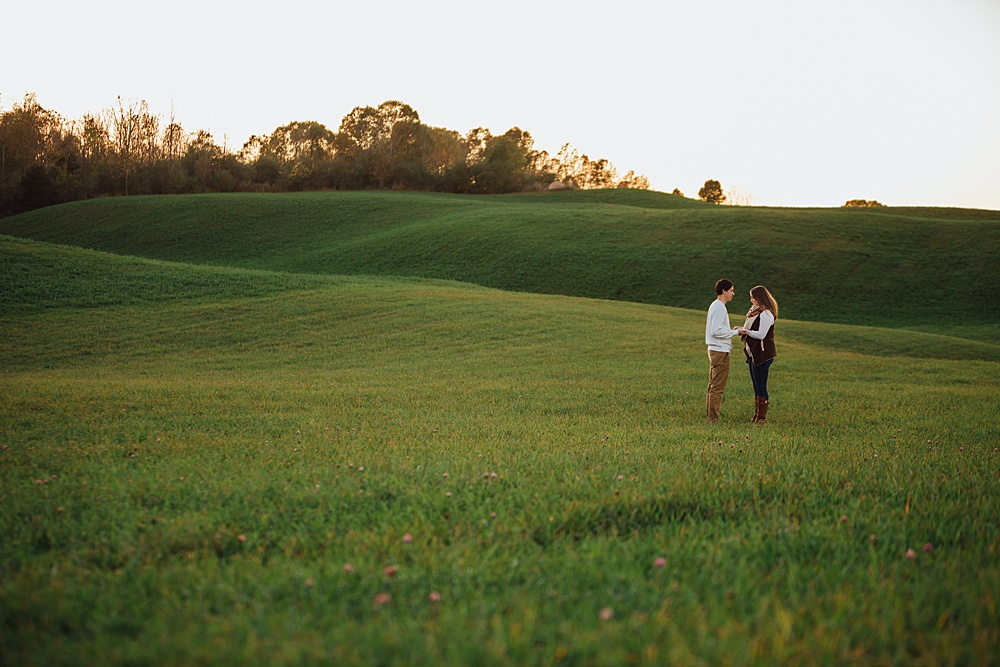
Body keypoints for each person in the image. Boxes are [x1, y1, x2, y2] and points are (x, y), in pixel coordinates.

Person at [736, 285, 779, 423]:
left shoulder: (766, 314)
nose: (751, 300)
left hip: (763, 354)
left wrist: (745, 331)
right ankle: (757, 415)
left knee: (760, 385)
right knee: (756, 384)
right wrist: (742, 329)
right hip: (754, 354)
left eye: (753, 297)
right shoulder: (755, 312)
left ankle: (761, 417)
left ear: (759, 298)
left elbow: (761, 335)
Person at [705, 279, 741, 422]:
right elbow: (716, 331)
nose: (733, 293)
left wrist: (730, 331)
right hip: (719, 351)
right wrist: (736, 333)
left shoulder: (717, 306)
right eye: (731, 290)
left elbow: (718, 329)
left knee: (713, 385)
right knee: (717, 388)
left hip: (716, 350)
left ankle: (711, 417)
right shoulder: (719, 307)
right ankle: (712, 419)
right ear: (724, 291)